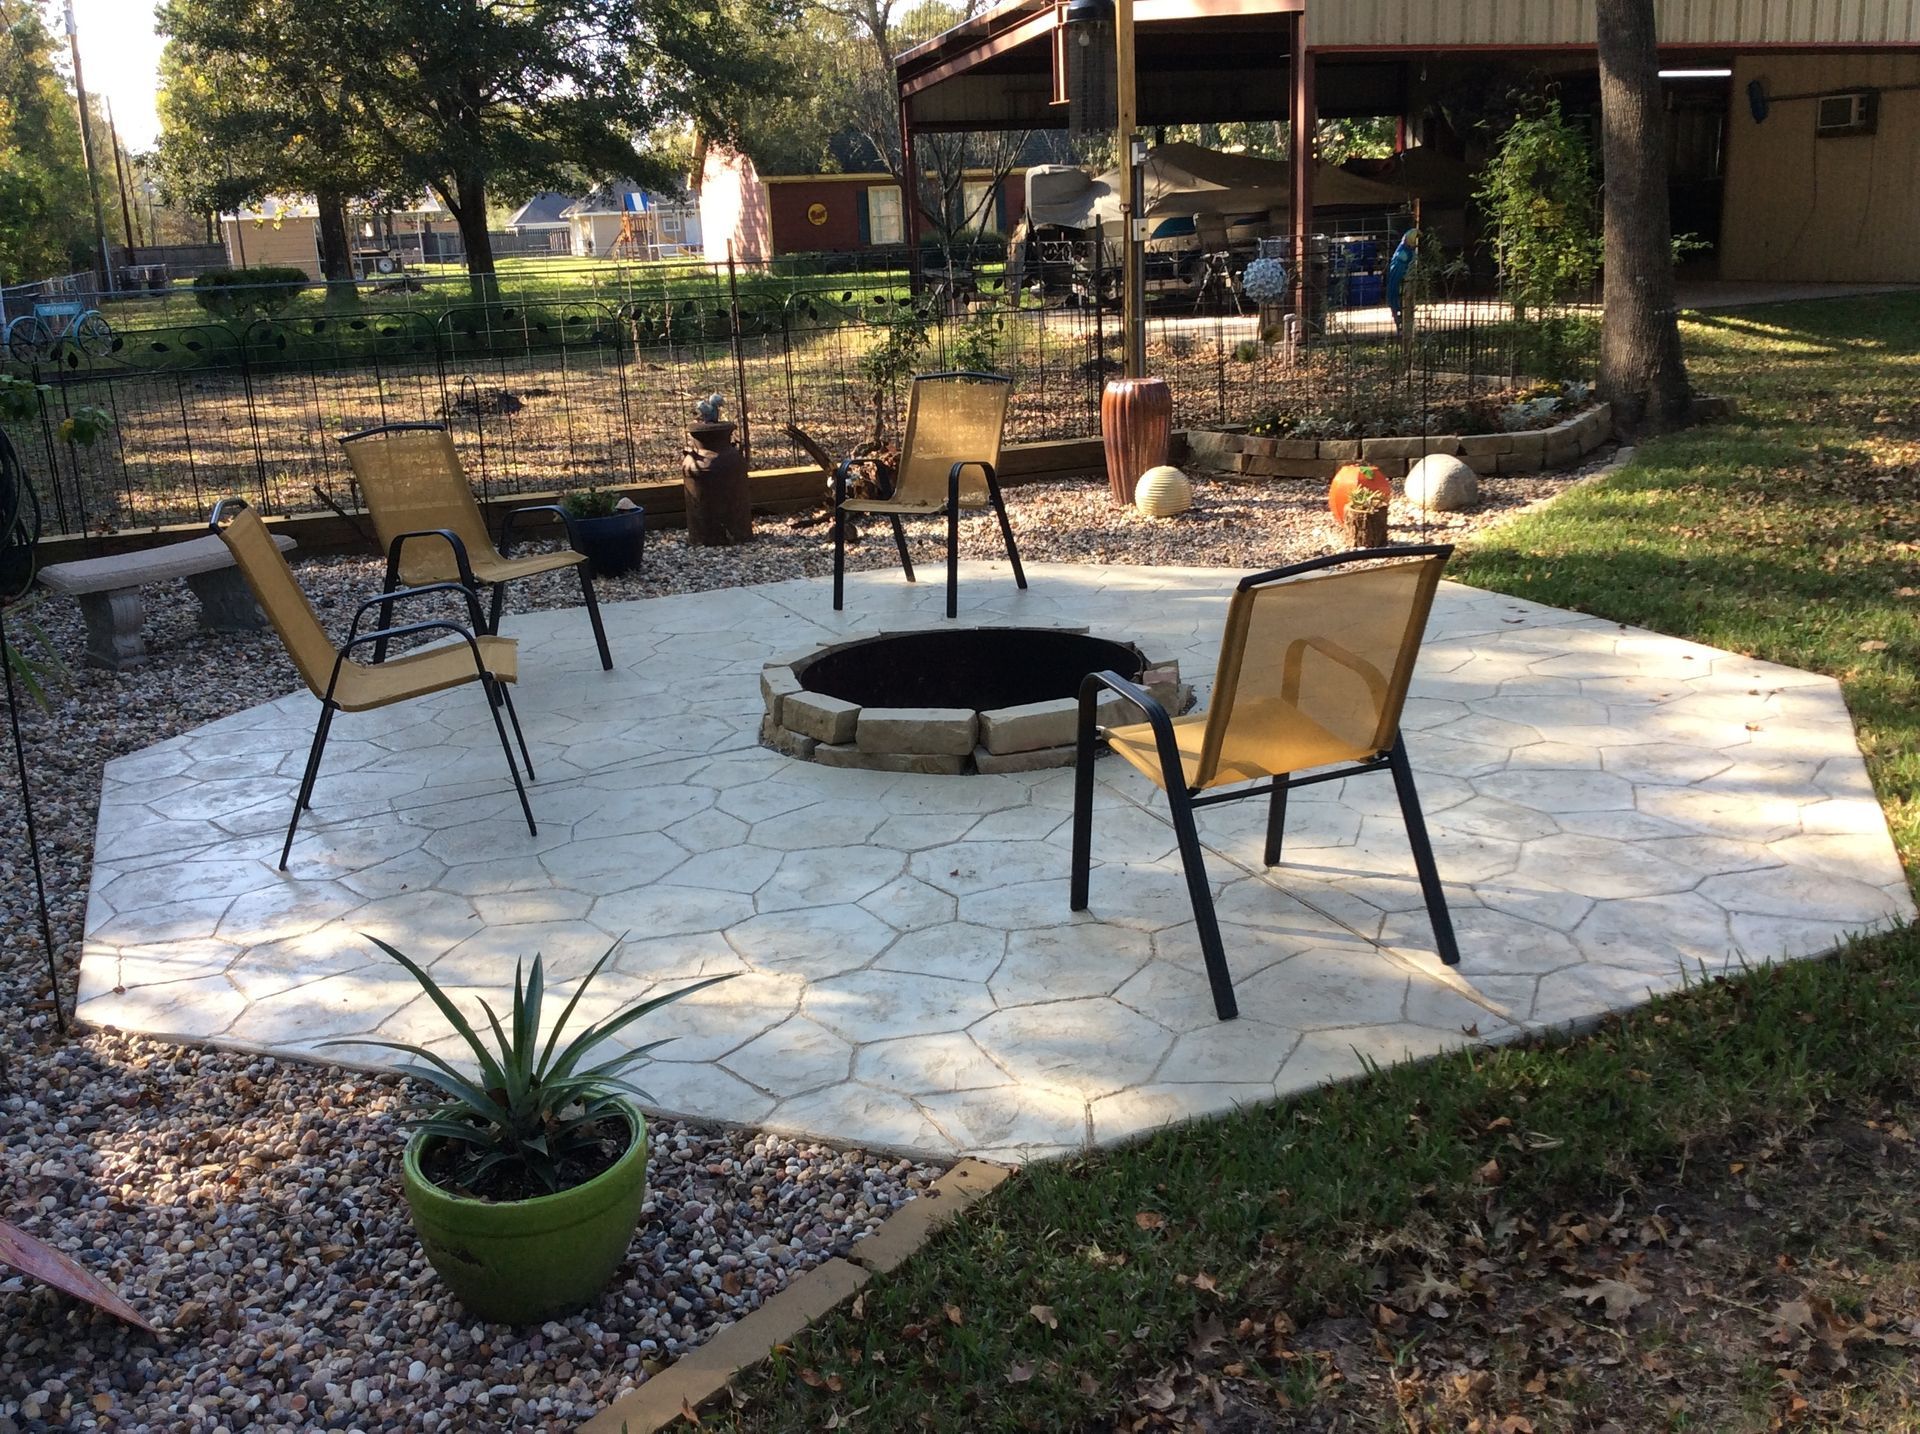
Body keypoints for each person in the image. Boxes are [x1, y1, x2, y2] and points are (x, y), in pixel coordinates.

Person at [1386, 228, 1418, 324]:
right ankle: (1397, 316)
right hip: (1398, 274)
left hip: (1400, 275)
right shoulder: (1405, 251)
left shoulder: (1404, 249)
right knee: (1395, 295)